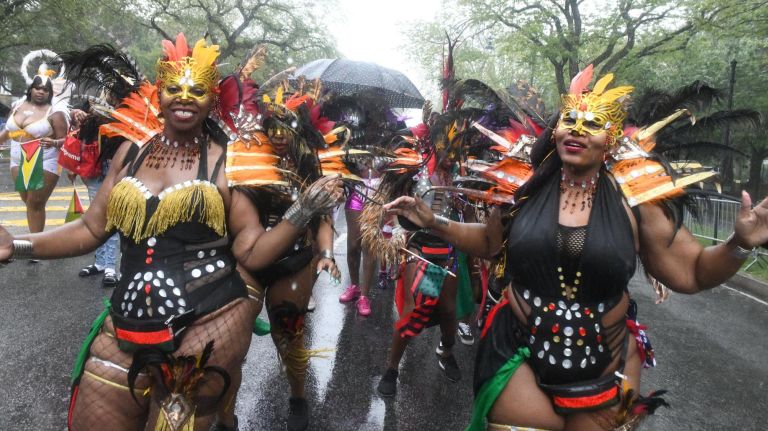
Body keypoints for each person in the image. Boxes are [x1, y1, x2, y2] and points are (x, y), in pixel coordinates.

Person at [382, 65, 768, 430]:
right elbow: (488, 242)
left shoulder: (636, 201)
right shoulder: (524, 189)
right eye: (570, 120)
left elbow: (692, 272)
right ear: (556, 130)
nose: (578, 130)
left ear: (611, 138)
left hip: (607, 360)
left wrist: (738, 244)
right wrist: (433, 221)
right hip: (521, 350)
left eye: (593, 123)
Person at [0, 36, 342, 431]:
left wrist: (304, 211)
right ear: (157, 94)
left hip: (208, 319)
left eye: (196, 90)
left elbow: (251, 253)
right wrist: (20, 245)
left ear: (213, 98)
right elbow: (93, 228)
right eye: (173, 88)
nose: (183, 97)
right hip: (126, 320)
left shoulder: (230, 160)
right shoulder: (132, 151)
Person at [230, 80, 344, 431]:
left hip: (292, 262)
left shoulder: (311, 169)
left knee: (288, 333)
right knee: (233, 340)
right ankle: (223, 413)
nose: (279, 135)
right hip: (248, 259)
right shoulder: (246, 158)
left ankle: (297, 396)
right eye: (272, 128)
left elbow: (324, 218)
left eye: (286, 128)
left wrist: (326, 253)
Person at [0, 55, 68, 237]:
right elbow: (7, 131)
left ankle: (35, 244)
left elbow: (68, 141)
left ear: (50, 92)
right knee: (28, 200)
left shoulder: (56, 113)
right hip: (17, 160)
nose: (40, 92)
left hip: (45, 160)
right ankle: (34, 239)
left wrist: (54, 142)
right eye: (37, 88)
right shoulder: (17, 106)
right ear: (31, 89)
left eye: (45, 89)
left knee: (35, 203)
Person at [69, 102, 121, 286]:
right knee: (95, 218)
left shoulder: (126, 114)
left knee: (110, 219)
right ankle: (100, 263)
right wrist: (77, 114)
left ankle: (111, 268)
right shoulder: (92, 112)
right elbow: (79, 139)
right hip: (94, 171)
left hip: (114, 169)